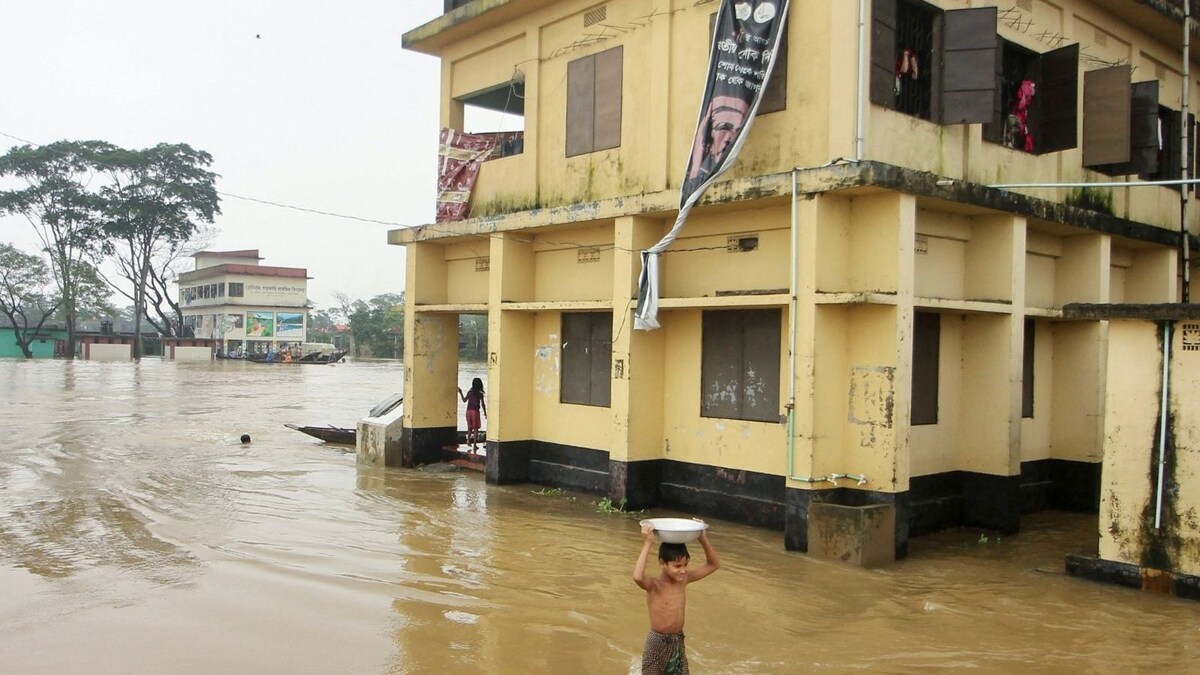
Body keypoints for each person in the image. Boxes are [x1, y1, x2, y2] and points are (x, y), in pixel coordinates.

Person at [633, 521, 721, 675]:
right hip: (657, 642)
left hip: (677, 641)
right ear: (662, 563)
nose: (683, 571)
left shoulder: (684, 580)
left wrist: (702, 538)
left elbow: (713, 564)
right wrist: (647, 543)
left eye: (685, 565)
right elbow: (638, 577)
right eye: (677, 566)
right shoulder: (655, 586)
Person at [682, 94, 750, 197]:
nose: (730, 137)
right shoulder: (695, 182)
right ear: (708, 134)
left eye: (737, 130)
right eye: (724, 128)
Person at [457, 377, 487, 451]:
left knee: (469, 428)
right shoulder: (480, 394)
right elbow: (483, 404)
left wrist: (460, 392)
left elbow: (464, 400)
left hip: (468, 412)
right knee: (476, 429)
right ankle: (474, 445)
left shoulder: (469, 392)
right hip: (475, 412)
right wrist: (485, 413)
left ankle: (468, 441)